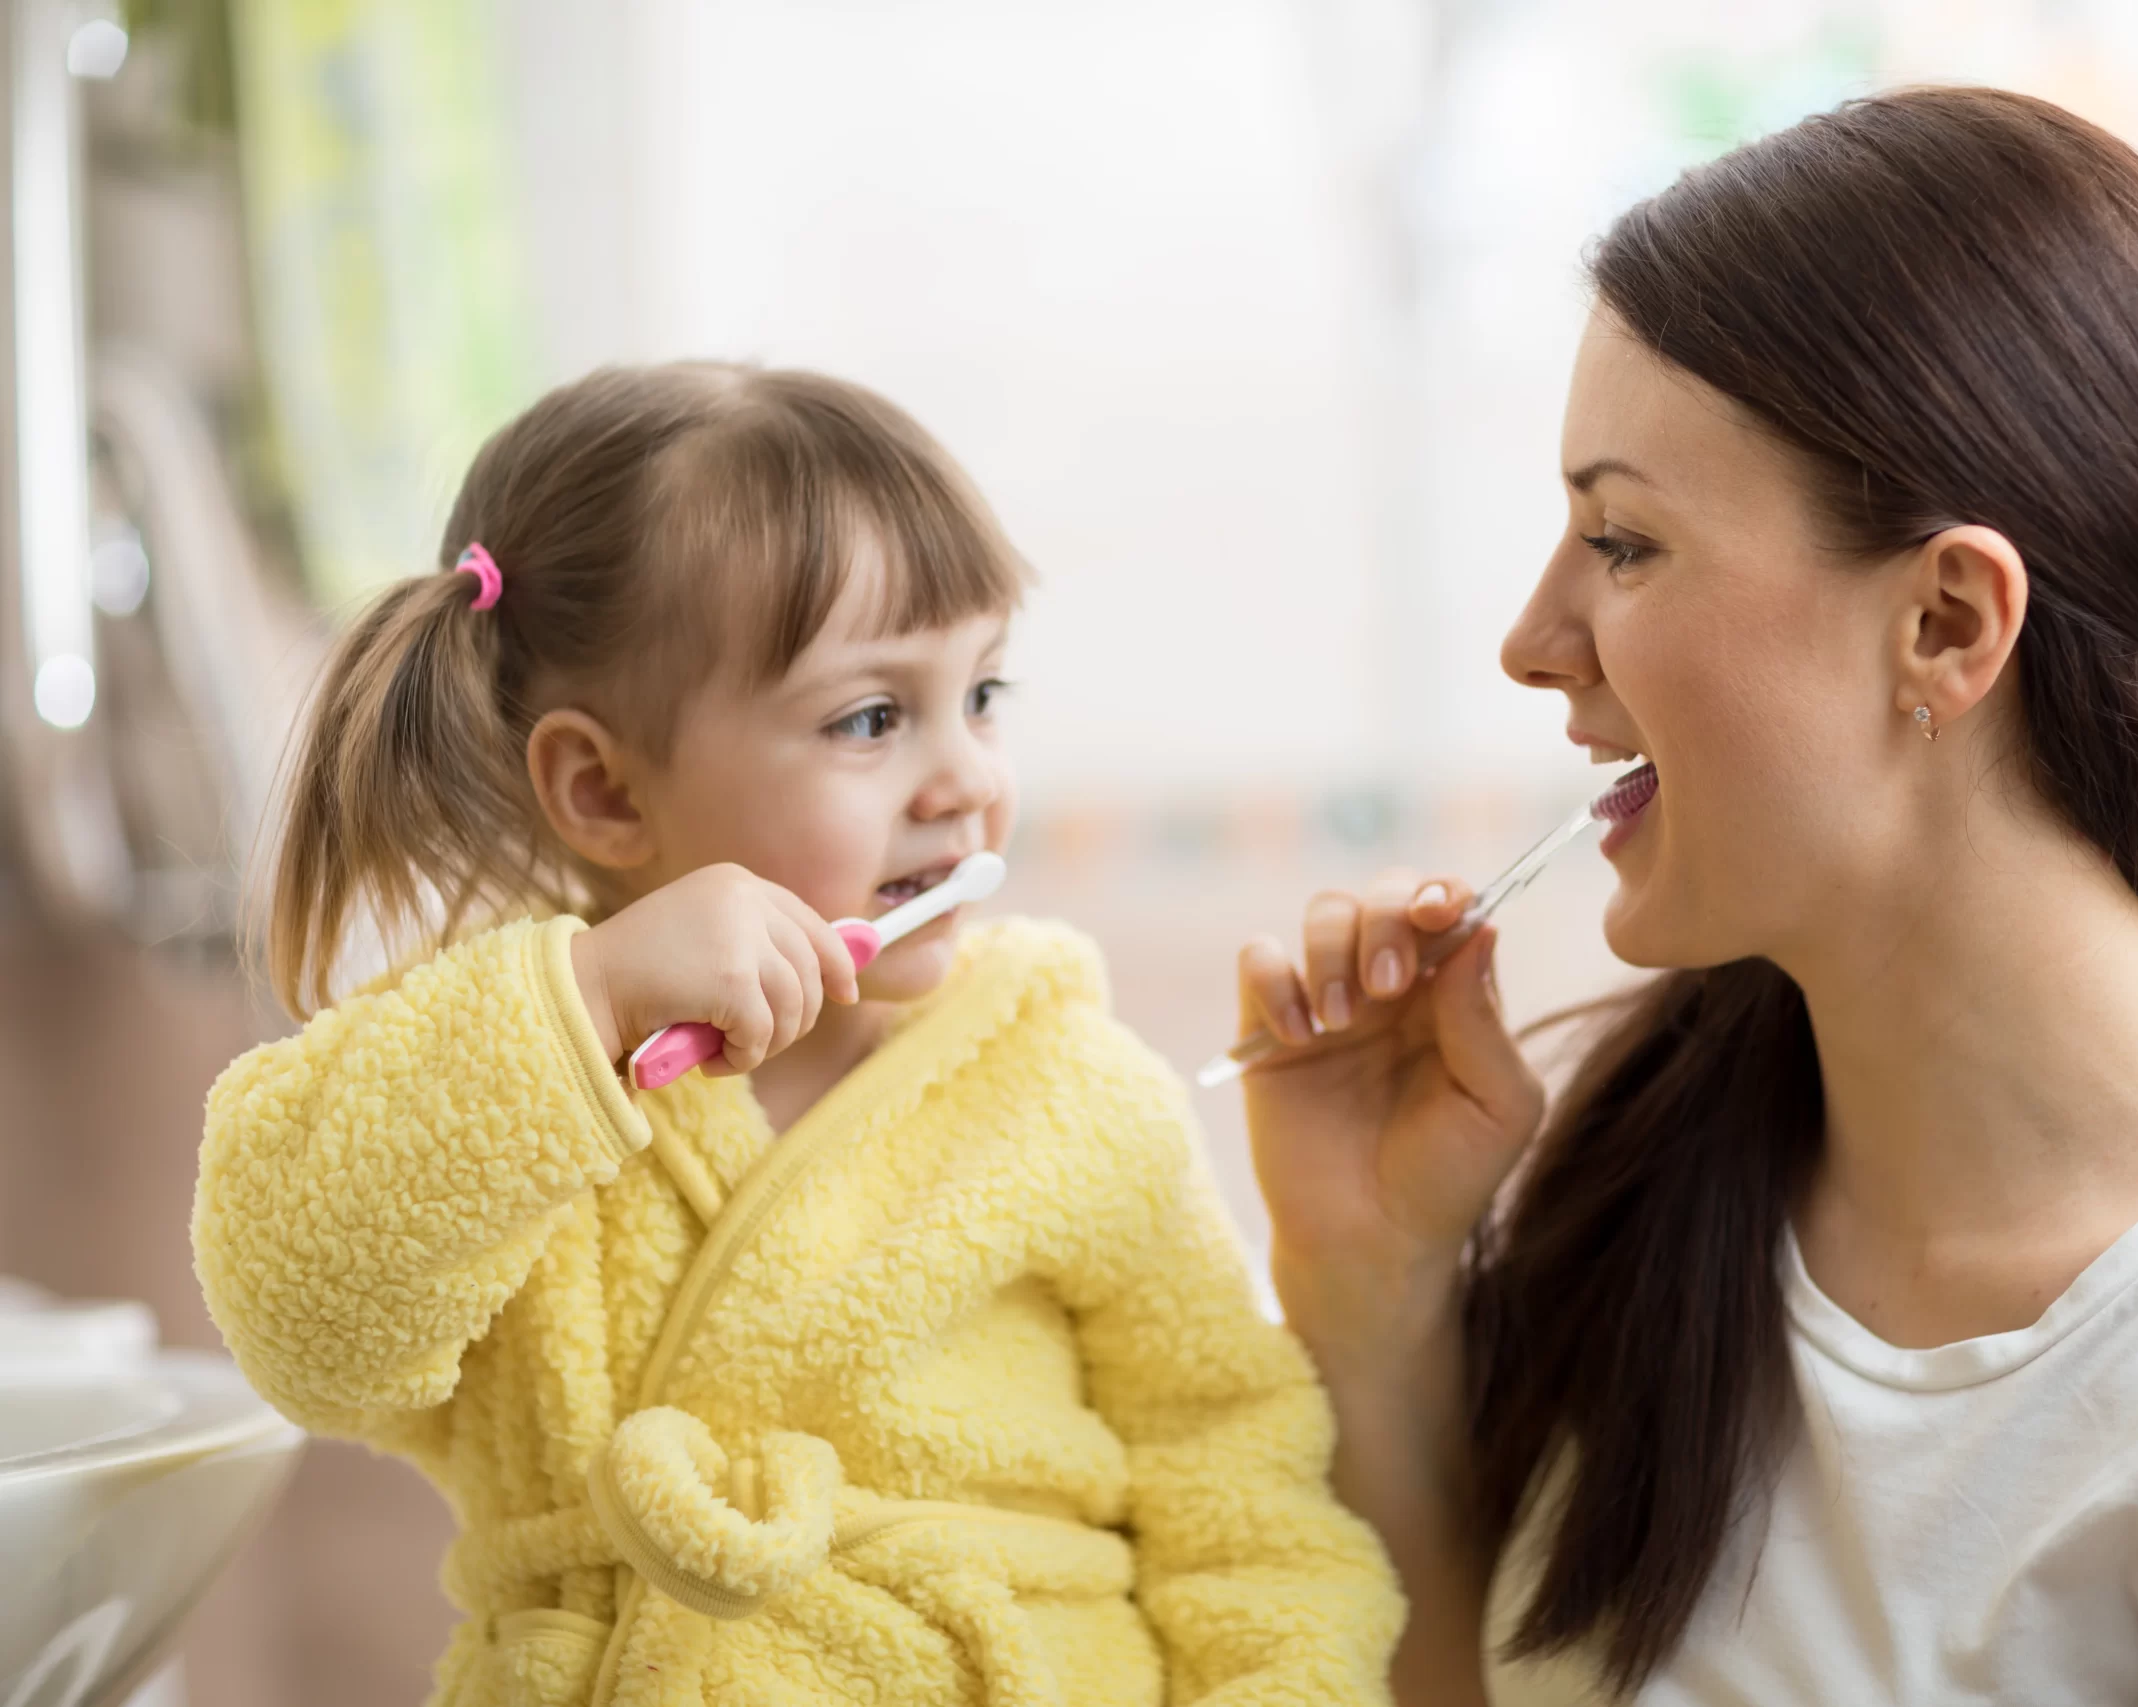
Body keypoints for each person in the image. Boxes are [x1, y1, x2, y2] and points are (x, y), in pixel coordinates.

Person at [1233, 87, 2138, 1704]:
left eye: (1623, 541)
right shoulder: (1662, 1147)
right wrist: (1370, 1284)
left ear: (1945, 623)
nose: (1533, 637)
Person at [194, 363, 1400, 1707]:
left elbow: (1242, 1488)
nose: (969, 779)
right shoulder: (499, 1073)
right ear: (601, 789)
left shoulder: (1067, 1089)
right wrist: (582, 1004)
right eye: (873, 717)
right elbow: (303, 1323)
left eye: (984, 694)